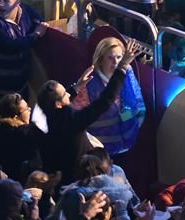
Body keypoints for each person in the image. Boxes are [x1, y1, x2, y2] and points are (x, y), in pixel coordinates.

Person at [34, 41, 141, 179]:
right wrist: (122, 67)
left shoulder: (39, 114)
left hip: (56, 168)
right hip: (77, 173)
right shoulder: (72, 120)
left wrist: (75, 88)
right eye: (65, 93)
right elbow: (105, 101)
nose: (69, 94)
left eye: (119, 57)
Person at [72, 37, 147, 155]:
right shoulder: (89, 83)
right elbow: (77, 120)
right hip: (100, 153)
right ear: (100, 60)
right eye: (110, 58)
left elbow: (139, 105)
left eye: (119, 57)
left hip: (127, 146)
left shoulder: (128, 74)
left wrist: (130, 125)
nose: (116, 62)